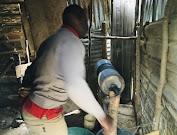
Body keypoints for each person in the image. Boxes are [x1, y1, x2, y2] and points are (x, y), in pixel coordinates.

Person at [19, 4, 112, 135]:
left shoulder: (52, 40)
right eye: (86, 21)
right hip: (43, 115)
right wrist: (102, 116)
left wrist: (28, 88)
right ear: (80, 20)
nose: (88, 25)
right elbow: (75, 85)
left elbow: (32, 70)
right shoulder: (72, 43)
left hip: (36, 109)